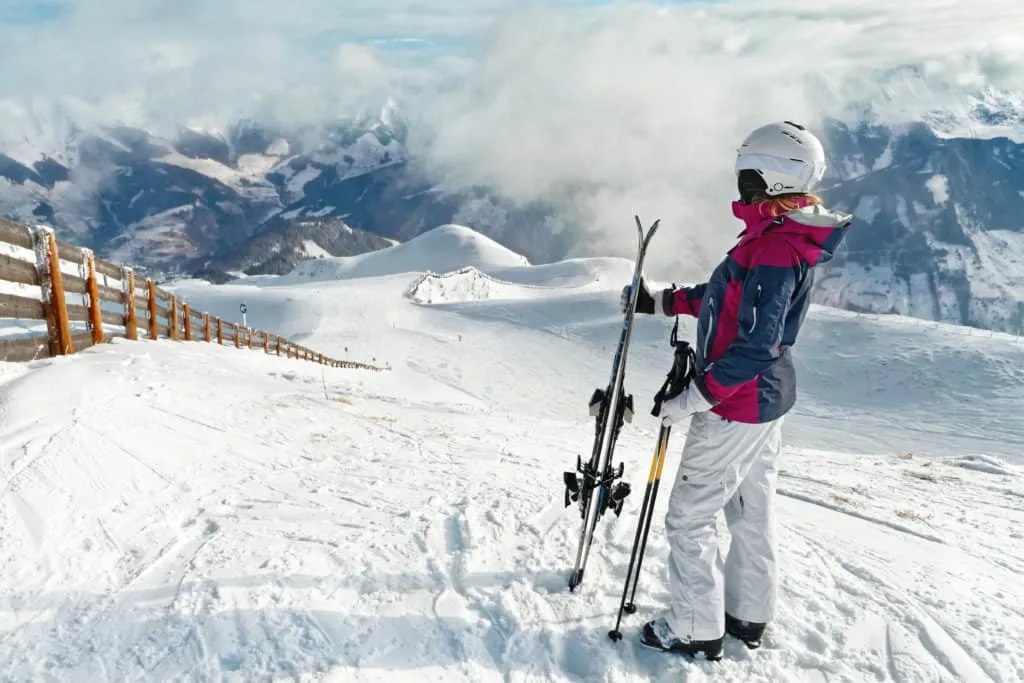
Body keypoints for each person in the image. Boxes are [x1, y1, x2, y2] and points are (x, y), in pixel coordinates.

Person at [620, 121, 853, 660]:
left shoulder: (775, 247)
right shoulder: (781, 236)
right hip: (765, 402)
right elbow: (728, 299)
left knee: (690, 515)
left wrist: (694, 398)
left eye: (747, 171)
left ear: (771, 177)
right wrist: (663, 302)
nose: (740, 181)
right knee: (750, 511)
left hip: (737, 405)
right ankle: (748, 615)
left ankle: (695, 626)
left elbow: (754, 346)